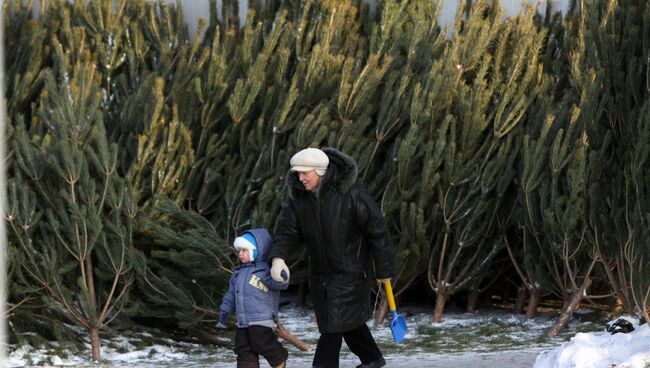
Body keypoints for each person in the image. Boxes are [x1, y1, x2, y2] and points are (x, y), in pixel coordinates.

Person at [269, 147, 394, 368]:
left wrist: (384, 270)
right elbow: (286, 232)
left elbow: (378, 231)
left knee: (332, 327)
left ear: (319, 171)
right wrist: (278, 257)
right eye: (297, 173)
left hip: (352, 273)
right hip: (320, 275)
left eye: (304, 173)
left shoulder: (352, 194)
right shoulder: (300, 202)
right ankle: (373, 359)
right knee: (346, 323)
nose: (300, 178)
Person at [219, 228, 289, 368]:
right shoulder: (238, 273)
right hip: (243, 321)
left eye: (244, 250)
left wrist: (281, 276)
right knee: (243, 347)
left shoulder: (264, 271)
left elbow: (279, 284)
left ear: (257, 250)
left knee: (262, 342)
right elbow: (231, 295)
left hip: (261, 319)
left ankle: (279, 359)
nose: (240, 254)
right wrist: (224, 310)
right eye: (239, 251)